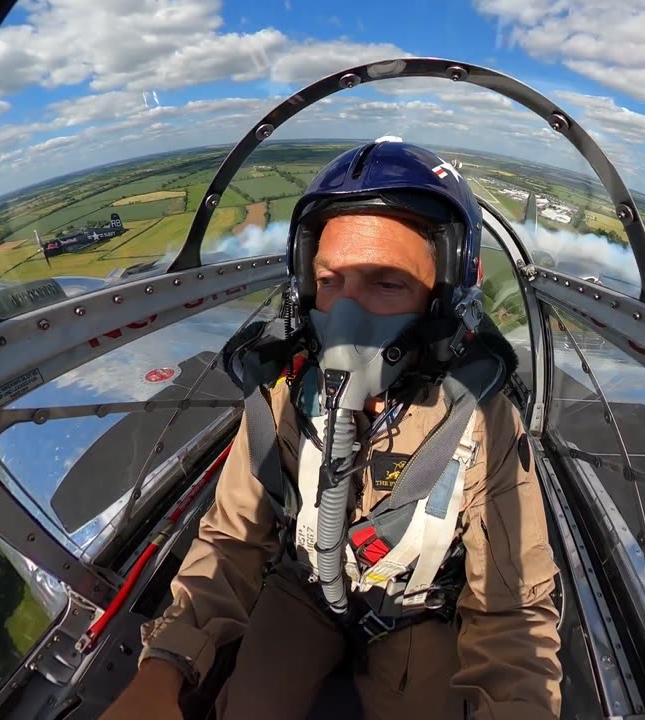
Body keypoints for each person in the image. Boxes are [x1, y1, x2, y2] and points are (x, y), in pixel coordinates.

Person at [102, 141, 562, 720]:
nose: (346, 312)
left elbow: (512, 612)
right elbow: (231, 542)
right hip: (302, 593)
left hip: (415, 613)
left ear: (442, 301)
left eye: (386, 283)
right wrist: (162, 671)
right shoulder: (281, 393)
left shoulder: (479, 422)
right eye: (330, 280)